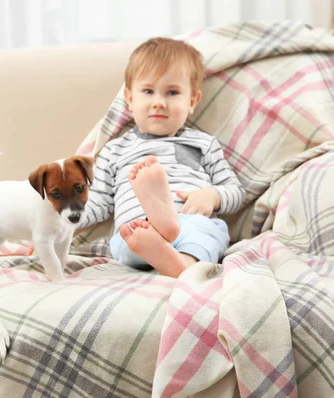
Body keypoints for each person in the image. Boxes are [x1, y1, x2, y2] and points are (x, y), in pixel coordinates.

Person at [79, 37, 245, 278]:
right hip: (138, 227)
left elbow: (235, 191)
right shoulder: (115, 150)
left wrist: (213, 196)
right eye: (148, 91)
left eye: (172, 92)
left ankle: (177, 260)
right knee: (129, 239)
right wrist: (60, 222)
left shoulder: (203, 143)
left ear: (192, 101)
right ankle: (171, 250)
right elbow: (97, 203)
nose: (159, 103)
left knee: (208, 233)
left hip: (193, 221)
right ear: (130, 98)